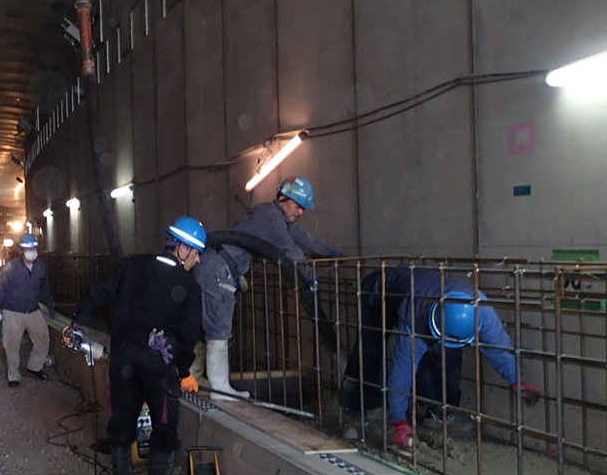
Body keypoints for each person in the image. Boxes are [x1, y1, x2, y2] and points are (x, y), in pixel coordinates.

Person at [67, 216, 206, 475]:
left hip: (124, 360)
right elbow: (188, 335)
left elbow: (99, 290)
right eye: (196, 253)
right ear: (181, 249)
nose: (198, 260)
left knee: (121, 425)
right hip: (160, 366)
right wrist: (182, 371)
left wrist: (77, 321)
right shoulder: (188, 287)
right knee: (164, 428)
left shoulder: (132, 266)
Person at [341, 267, 540, 448]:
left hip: (421, 294)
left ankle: (438, 412)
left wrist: (516, 379)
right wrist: (399, 422)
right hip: (380, 290)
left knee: (447, 353)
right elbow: (403, 369)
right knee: (371, 347)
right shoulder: (416, 315)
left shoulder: (481, 310)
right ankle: (358, 408)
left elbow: (497, 347)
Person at [194, 176, 340, 399]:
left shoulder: (274, 217)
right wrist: (309, 279)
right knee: (218, 328)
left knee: (203, 324)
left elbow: (301, 237)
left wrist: (327, 251)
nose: (301, 212)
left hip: (214, 264)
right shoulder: (272, 222)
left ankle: (194, 377)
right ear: (284, 198)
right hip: (218, 269)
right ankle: (220, 389)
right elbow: (289, 252)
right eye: (299, 206)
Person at [0, 233, 56, 388]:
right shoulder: (11, 267)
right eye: (28, 248)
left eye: (34, 248)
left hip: (32, 310)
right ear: (22, 250)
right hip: (13, 311)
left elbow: (44, 288)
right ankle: (13, 376)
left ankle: (35, 366)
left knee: (43, 338)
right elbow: (0, 288)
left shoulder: (41, 267)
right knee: (12, 344)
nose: (31, 251)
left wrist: (50, 303)